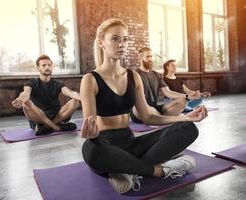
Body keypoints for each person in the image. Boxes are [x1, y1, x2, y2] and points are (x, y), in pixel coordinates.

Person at [80, 18, 208, 194]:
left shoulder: (134, 77)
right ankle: (159, 170)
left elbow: (147, 117)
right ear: (101, 42)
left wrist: (184, 117)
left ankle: (126, 171)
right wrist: (90, 133)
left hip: (131, 143)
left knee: (188, 129)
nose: (121, 44)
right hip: (105, 145)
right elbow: (90, 124)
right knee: (90, 150)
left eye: (124, 39)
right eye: (115, 39)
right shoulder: (90, 80)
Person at [12, 55, 80, 135]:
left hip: (56, 116)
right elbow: (26, 94)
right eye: (44, 65)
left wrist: (85, 97)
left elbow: (71, 93)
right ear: (38, 68)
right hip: (38, 116)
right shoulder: (31, 83)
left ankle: (46, 127)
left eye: (49, 65)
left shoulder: (57, 84)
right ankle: (56, 127)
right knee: (25, 104)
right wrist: (20, 99)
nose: (47, 67)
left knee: (75, 102)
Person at [131, 47, 201, 123]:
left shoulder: (157, 75)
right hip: (141, 110)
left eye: (151, 56)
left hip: (155, 108)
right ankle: (165, 118)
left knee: (182, 101)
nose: (150, 59)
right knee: (146, 109)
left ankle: (159, 118)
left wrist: (187, 96)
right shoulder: (134, 75)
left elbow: (167, 92)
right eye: (148, 57)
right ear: (141, 58)